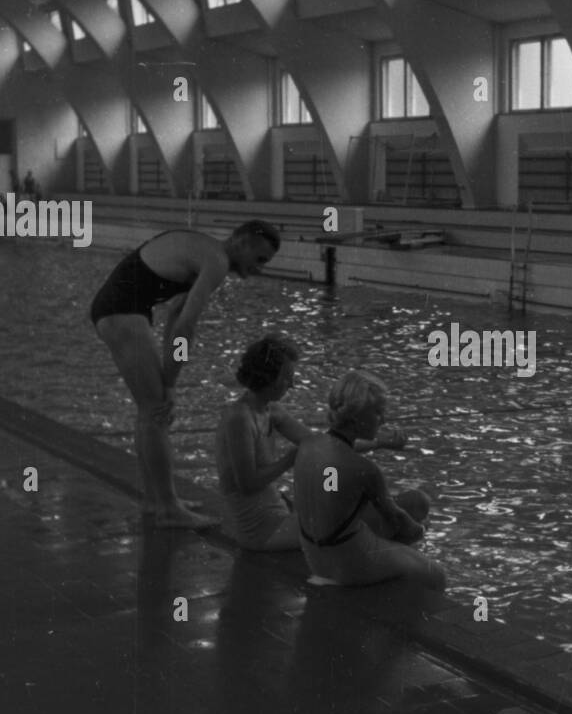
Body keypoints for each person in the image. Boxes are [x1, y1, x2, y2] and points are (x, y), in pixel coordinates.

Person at [90, 220, 281, 529]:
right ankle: (168, 508)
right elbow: (185, 328)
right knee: (157, 414)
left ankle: (156, 500)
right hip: (121, 311)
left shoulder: (204, 254)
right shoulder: (216, 261)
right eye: (259, 259)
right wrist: (171, 384)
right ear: (242, 242)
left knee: (149, 413)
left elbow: (175, 315)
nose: (259, 268)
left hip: (122, 309)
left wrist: (168, 378)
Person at [215, 334, 406, 552]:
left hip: (277, 515)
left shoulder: (271, 411)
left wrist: (378, 443)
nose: (292, 384)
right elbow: (247, 484)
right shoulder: (239, 418)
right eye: (287, 377)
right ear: (268, 377)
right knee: (383, 518)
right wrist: (289, 459)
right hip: (259, 532)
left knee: (386, 514)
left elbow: (327, 443)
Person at [294, 369, 445, 590]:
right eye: (377, 413)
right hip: (346, 561)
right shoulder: (364, 470)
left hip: (314, 556)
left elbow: (340, 449)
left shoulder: (309, 444)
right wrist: (421, 531)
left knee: (415, 502)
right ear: (355, 417)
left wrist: (380, 443)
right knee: (437, 576)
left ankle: (391, 567)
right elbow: (398, 520)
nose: (383, 419)